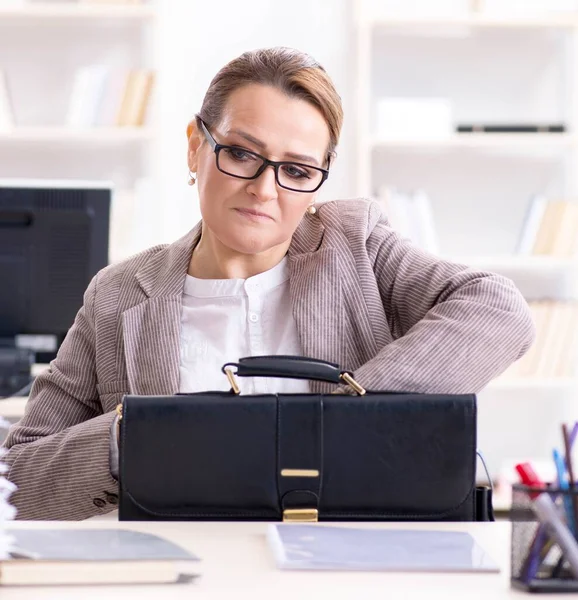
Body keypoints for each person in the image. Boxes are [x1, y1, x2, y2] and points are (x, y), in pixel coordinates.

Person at [3, 47, 534, 520]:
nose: (264, 189)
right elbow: (18, 481)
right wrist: (137, 436)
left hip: (350, 566)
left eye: (297, 171)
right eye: (241, 154)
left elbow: (499, 312)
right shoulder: (117, 296)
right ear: (195, 147)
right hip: (189, 574)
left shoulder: (357, 245)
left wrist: (346, 419)